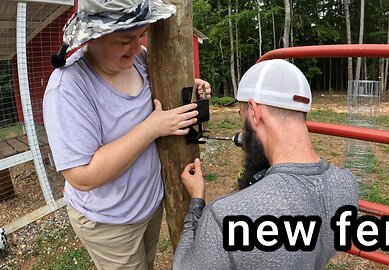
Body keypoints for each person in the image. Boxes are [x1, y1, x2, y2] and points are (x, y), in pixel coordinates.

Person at [43, 0, 211, 269]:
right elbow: (82, 176)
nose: (136, 47)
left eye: (140, 35)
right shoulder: (68, 88)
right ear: (93, 37)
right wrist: (152, 127)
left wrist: (190, 87)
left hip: (148, 204)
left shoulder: (140, 59)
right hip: (109, 222)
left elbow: (163, 93)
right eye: (124, 40)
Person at [174, 59, 359, 270]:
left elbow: (182, 266)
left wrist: (197, 203)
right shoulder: (347, 184)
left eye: (241, 116)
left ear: (254, 111)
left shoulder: (226, 216)